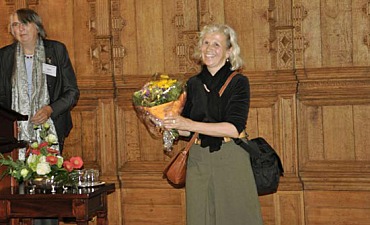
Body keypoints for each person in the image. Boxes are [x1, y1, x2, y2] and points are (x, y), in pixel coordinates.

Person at [163, 24, 263, 225]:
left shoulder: (238, 82)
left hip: (230, 158)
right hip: (198, 160)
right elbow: (187, 129)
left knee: (235, 218)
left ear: (229, 51)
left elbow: (233, 129)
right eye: (206, 43)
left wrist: (188, 123)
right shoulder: (193, 84)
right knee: (200, 218)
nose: (209, 48)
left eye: (217, 44)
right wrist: (167, 122)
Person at [0, 8, 79, 225]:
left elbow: (72, 91)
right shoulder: (4, 56)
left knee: (47, 197)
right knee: (16, 198)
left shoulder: (56, 50)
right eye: (15, 25)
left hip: (49, 133)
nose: (20, 29)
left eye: (25, 23)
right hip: (14, 139)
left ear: (37, 26)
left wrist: (50, 110)